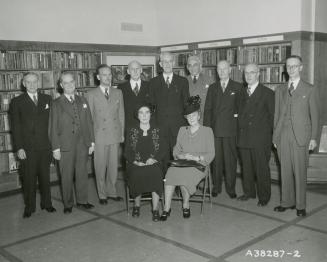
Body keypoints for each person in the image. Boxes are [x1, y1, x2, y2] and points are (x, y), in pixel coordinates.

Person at [273, 55, 319, 217]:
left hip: (301, 136)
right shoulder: (280, 90)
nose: (291, 69)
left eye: (294, 66)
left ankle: (300, 205)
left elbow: (315, 116)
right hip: (283, 136)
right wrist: (275, 137)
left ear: (301, 67)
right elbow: (277, 115)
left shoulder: (309, 89)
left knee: (299, 171)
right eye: (288, 66)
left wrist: (313, 138)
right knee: (284, 170)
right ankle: (287, 202)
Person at [161, 96, 215, 220]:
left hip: (199, 164)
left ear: (199, 116)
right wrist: (181, 155)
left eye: (193, 115)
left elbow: (211, 154)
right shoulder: (182, 130)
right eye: (188, 116)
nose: (191, 118)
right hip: (182, 162)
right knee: (170, 173)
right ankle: (166, 207)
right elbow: (175, 150)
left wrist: (196, 158)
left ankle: (186, 204)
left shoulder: (207, 131)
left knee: (185, 176)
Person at [10, 72, 56, 218]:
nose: (32, 84)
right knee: (28, 179)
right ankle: (29, 207)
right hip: (27, 148)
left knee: (45, 177)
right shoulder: (17, 102)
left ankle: (47, 203)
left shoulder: (47, 98)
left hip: (45, 147)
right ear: (23, 83)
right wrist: (19, 148)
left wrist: (54, 145)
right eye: (28, 82)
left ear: (38, 83)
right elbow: (15, 126)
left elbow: (53, 124)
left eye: (34, 81)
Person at [49, 72, 95, 214]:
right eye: (66, 83)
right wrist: (55, 148)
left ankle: (82, 200)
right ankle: (68, 203)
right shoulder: (56, 103)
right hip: (65, 146)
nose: (69, 85)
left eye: (71, 82)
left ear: (75, 83)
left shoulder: (83, 100)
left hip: (82, 144)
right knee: (66, 176)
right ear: (61, 85)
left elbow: (89, 122)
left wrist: (92, 142)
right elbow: (53, 127)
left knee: (82, 173)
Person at [237, 63, 274, 206]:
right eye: (246, 73)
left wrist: (269, 139)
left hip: (260, 139)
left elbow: (272, 118)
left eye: (252, 72)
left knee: (261, 169)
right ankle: (249, 192)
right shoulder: (241, 93)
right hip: (244, 137)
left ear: (258, 74)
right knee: (246, 168)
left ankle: (264, 197)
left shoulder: (268, 93)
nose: (249, 75)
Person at [86, 64, 124, 205]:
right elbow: (89, 119)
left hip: (114, 134)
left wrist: (122, 134)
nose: (107, 77)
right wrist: (91, 139)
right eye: (104, 74)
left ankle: (112, 191)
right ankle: (102, 194)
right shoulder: (91, 94)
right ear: (98, 77)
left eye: (109, 74)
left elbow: (121, 115)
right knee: (100, 167)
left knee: (113, 166)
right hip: (99, 136)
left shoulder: (118, 92)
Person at [204, 60, 242, 198]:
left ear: (230, 70)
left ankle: (231, 188)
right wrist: (207, 131)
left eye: (224, 69)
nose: (221, 71)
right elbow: (208, 110)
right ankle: (216, 186)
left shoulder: (238, 87)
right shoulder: (213, 88)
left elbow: (240, 110)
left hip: (231, 131)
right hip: (215, 131)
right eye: (219, 69)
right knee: (216, 161)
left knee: (230, 161)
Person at [124, 103, 167, 221]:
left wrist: (153, 159)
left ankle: (155, 208)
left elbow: (163, 148)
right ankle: (136, 206)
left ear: (150, 114)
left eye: (147, 112)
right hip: (136, 164)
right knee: (136, 173)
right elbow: (127, 151)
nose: (144, 115)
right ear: (137, 115)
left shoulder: (158, 129)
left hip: (154, 163)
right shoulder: (131, 130)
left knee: (155, 173)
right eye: (141, 113)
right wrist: (135, 162)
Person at [149, 52, 189, 170]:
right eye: (164, 62)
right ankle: (165, 185)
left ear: (173, 63)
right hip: (160, 127)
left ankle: (178, 187)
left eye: (169, 61)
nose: (167, 64)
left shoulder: (182, 81)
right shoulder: (153, 82)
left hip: (178, 128)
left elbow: (186, 105)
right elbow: (151, 107)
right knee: (163, 159)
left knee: (178, 158)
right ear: (160, 64)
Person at [118, 60, 151, 129]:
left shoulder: (150, 86)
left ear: (141, 70)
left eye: (137, 69)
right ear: (128, 71)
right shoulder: (121, 88)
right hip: (127, 127)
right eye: (132, 69)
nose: (135, 71)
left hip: (145, 127)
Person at [186, 55, 213, 123]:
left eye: (195, 65)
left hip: (204, 119)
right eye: (190, 65)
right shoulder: (183, 81)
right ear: (187, 67)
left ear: (200, 66)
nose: (192, 68)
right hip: (189, 119)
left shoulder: (209, 80)